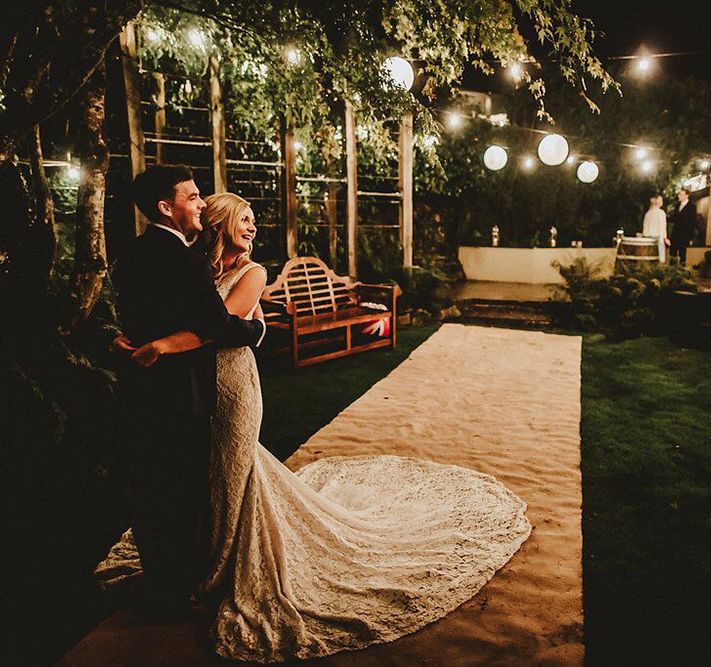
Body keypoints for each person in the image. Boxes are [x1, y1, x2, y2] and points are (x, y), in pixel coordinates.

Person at [99, 194, 531, 662]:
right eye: (244, 220)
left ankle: (223, 569)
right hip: (197, 386)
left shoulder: (254, 272)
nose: (252, 228)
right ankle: (201, 554)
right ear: (221, 223)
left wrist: (162, 345)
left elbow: (219, 328)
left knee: (233, 469)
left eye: (253, 222)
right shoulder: (198, 269)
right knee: (210, 473)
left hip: (234, 385)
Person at [109, 166, 265, 615]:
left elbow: (130, 310)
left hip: (148, 384)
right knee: (181, 486)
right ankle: (178, 585)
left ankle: (166, 574)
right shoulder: (187, 259)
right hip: (183, 388)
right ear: (166, 206)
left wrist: (121, 339)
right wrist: (254, 329)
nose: (200, 203)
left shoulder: (133, 251)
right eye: (193, 196)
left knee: (155, 485)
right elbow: (213, 326)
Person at [669, 188, 697, 264]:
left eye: (681, 194)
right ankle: (671, 270)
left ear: (687, 195)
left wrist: (691, 236)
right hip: (676, 233)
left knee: (682, 253)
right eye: (679, 194)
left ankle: (681, 270)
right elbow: (674, 218)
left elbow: (692, 222)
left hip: (685, 234)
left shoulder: (691, 206)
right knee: (673, 252)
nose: (679, 196)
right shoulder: (677, 205)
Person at [642, 195, 668, 263]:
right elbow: (662, 227)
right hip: (658, 240)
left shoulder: (648, 213)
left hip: (647, 240)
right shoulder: (661, 213)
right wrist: (665, 238)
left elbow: (645, 229)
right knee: (659, 260)